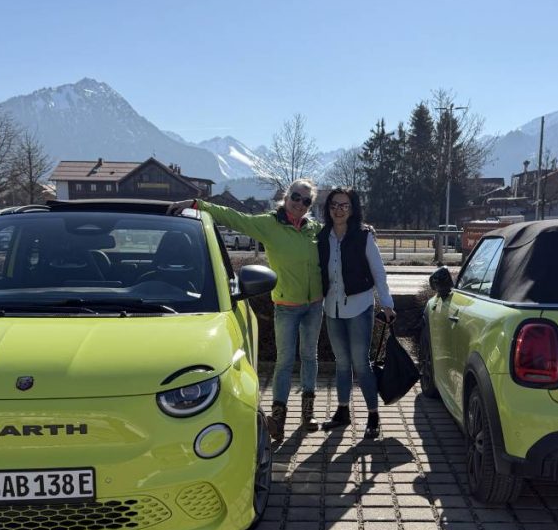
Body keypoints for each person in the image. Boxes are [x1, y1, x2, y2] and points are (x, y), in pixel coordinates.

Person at [167, 179, 323, 441]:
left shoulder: (314, 230)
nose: (300, 204)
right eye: (296, 197)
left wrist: (363, 230)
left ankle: (308, 414)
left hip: (314, 305)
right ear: (286, 197)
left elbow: (342, 234)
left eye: (306, 201)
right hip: (286, 305)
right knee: (284, 361)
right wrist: (197, 204)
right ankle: (279, 418)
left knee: (310, 357)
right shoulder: (268, 225)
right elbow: (234, 217)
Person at [316, 188, 394, 440]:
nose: (338, 210)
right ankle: (342, 412)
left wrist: (387, 303)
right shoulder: (322, 236)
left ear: (353, 209)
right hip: (332, 308)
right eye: (333, 205)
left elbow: (378, 272)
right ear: (327, 209)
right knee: (341, 363)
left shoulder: (363, 236)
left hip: (360, 307)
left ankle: (373, 415)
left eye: (344, 205)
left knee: (361, 364)